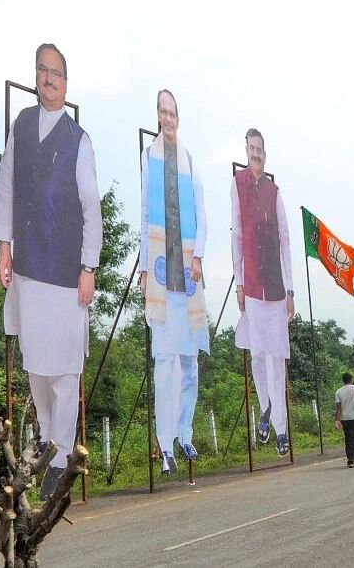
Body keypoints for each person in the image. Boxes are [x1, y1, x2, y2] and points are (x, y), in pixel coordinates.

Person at [0, 43, 101, 497]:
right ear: (35, 76)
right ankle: (44, 434)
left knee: (64, 368)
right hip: (29, 264)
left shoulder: (79, 139)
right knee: (36, 362)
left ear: (66, 82)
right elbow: (6, 185)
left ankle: (59, 456)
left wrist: (88, 266)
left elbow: (91, 207)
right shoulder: (20, 125)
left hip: (66, 270)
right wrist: (4, 245)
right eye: (43, 70)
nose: (49, 78)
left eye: (57, 72)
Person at [141, 89, 208, 475]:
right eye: (162, 112)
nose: (167, 118)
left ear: (178, 118)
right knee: (164, 360)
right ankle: (164, 444)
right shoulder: (148, 158)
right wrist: (146, 266)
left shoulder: (189, 161)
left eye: (172, 112)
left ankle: (185, 432)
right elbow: (143, 212)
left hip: (189, 273)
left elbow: (202, 213)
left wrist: (197, 254)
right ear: (157, 116)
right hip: (162, 273)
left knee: (189, 362)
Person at [231, 128, 295, 457]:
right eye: (251, 148)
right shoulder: (238, 185)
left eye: (259, 150)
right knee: (257, 354)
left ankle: (281, 427)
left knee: (276, 356)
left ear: (265, 155)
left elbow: (285, 239)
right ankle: (266, 408)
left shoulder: (274, 192)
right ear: (246, 151)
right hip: (253, 286)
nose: (255, 154)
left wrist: (291, 289)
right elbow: (237, 234)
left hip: (275, 287)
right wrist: (239, 282)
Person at [334, 372, 354, 468]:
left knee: (348, 438)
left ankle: (350, 458)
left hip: (344, 419)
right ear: (351, 379)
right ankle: (351, 460)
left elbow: (338, 408)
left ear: (343, 380)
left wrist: (337, 420)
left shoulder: (338, 391)